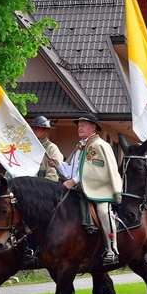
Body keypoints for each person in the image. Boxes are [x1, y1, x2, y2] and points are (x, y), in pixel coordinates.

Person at [48, 112, 122, 266]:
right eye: (79, 125)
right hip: (78, 190)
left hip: (99, 191)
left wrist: (73, 181)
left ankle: (112, 250)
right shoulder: (79, 147)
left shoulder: (101, 145)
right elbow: (70, 171)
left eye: (83, 125)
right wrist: (58, 165)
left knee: (103, 212)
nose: (79, 128)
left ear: (93, 127)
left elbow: (100, 171)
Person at [30, 116, 63, 182]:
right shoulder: (29, 148)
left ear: (46, 131)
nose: (33, 131)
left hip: (44, 190)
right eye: (32, 128)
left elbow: (52, 177)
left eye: (36, 128)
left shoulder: (52, 149)